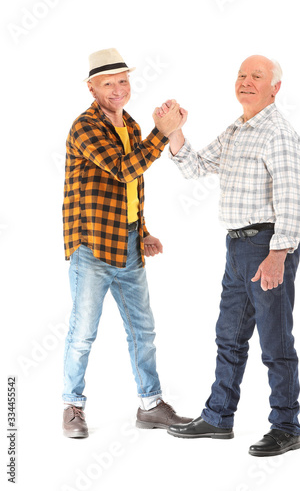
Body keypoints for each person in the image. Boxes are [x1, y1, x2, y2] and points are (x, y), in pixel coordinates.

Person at [162, 55, 300, 456]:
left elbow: (292, 200)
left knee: (275, 342)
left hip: (267, 247)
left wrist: (278, 254)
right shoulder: (237, 130)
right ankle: (218, 417)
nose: (245, 81)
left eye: (256, 76)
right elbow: (196, 166)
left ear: (275, 87)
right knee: (228, 337)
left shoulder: (278, 133)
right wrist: (175, 132)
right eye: (241, 75)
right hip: (237, 247)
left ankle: (286, 426)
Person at [62, 48, 192, 438]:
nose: (117, 89)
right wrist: (163, 132)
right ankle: (72, 406)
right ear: (92, 88)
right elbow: (123, 169)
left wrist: (144, 230)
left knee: (143, 330)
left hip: (130, 246)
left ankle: (150, 405)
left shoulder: (130, 126)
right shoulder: (84, 127)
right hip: (93, 249)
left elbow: (133, 188)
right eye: (107, 83)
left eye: (122, 80)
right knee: (83, 333)